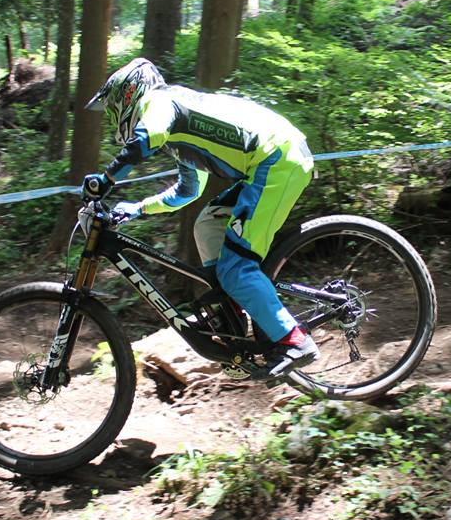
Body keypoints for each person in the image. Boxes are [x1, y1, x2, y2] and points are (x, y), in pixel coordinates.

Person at [81, 58, 320, 378]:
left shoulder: (160, 102)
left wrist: (105, 180)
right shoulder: (179, 131)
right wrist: (138, 208)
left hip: (277, 160)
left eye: (113, 108)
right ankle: (234, 315)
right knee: (207, 224)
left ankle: (295, 341)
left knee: (236, 267)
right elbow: (187, 192)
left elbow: (144, 140)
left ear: (130, 94)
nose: (113, 117)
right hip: (272, 160)